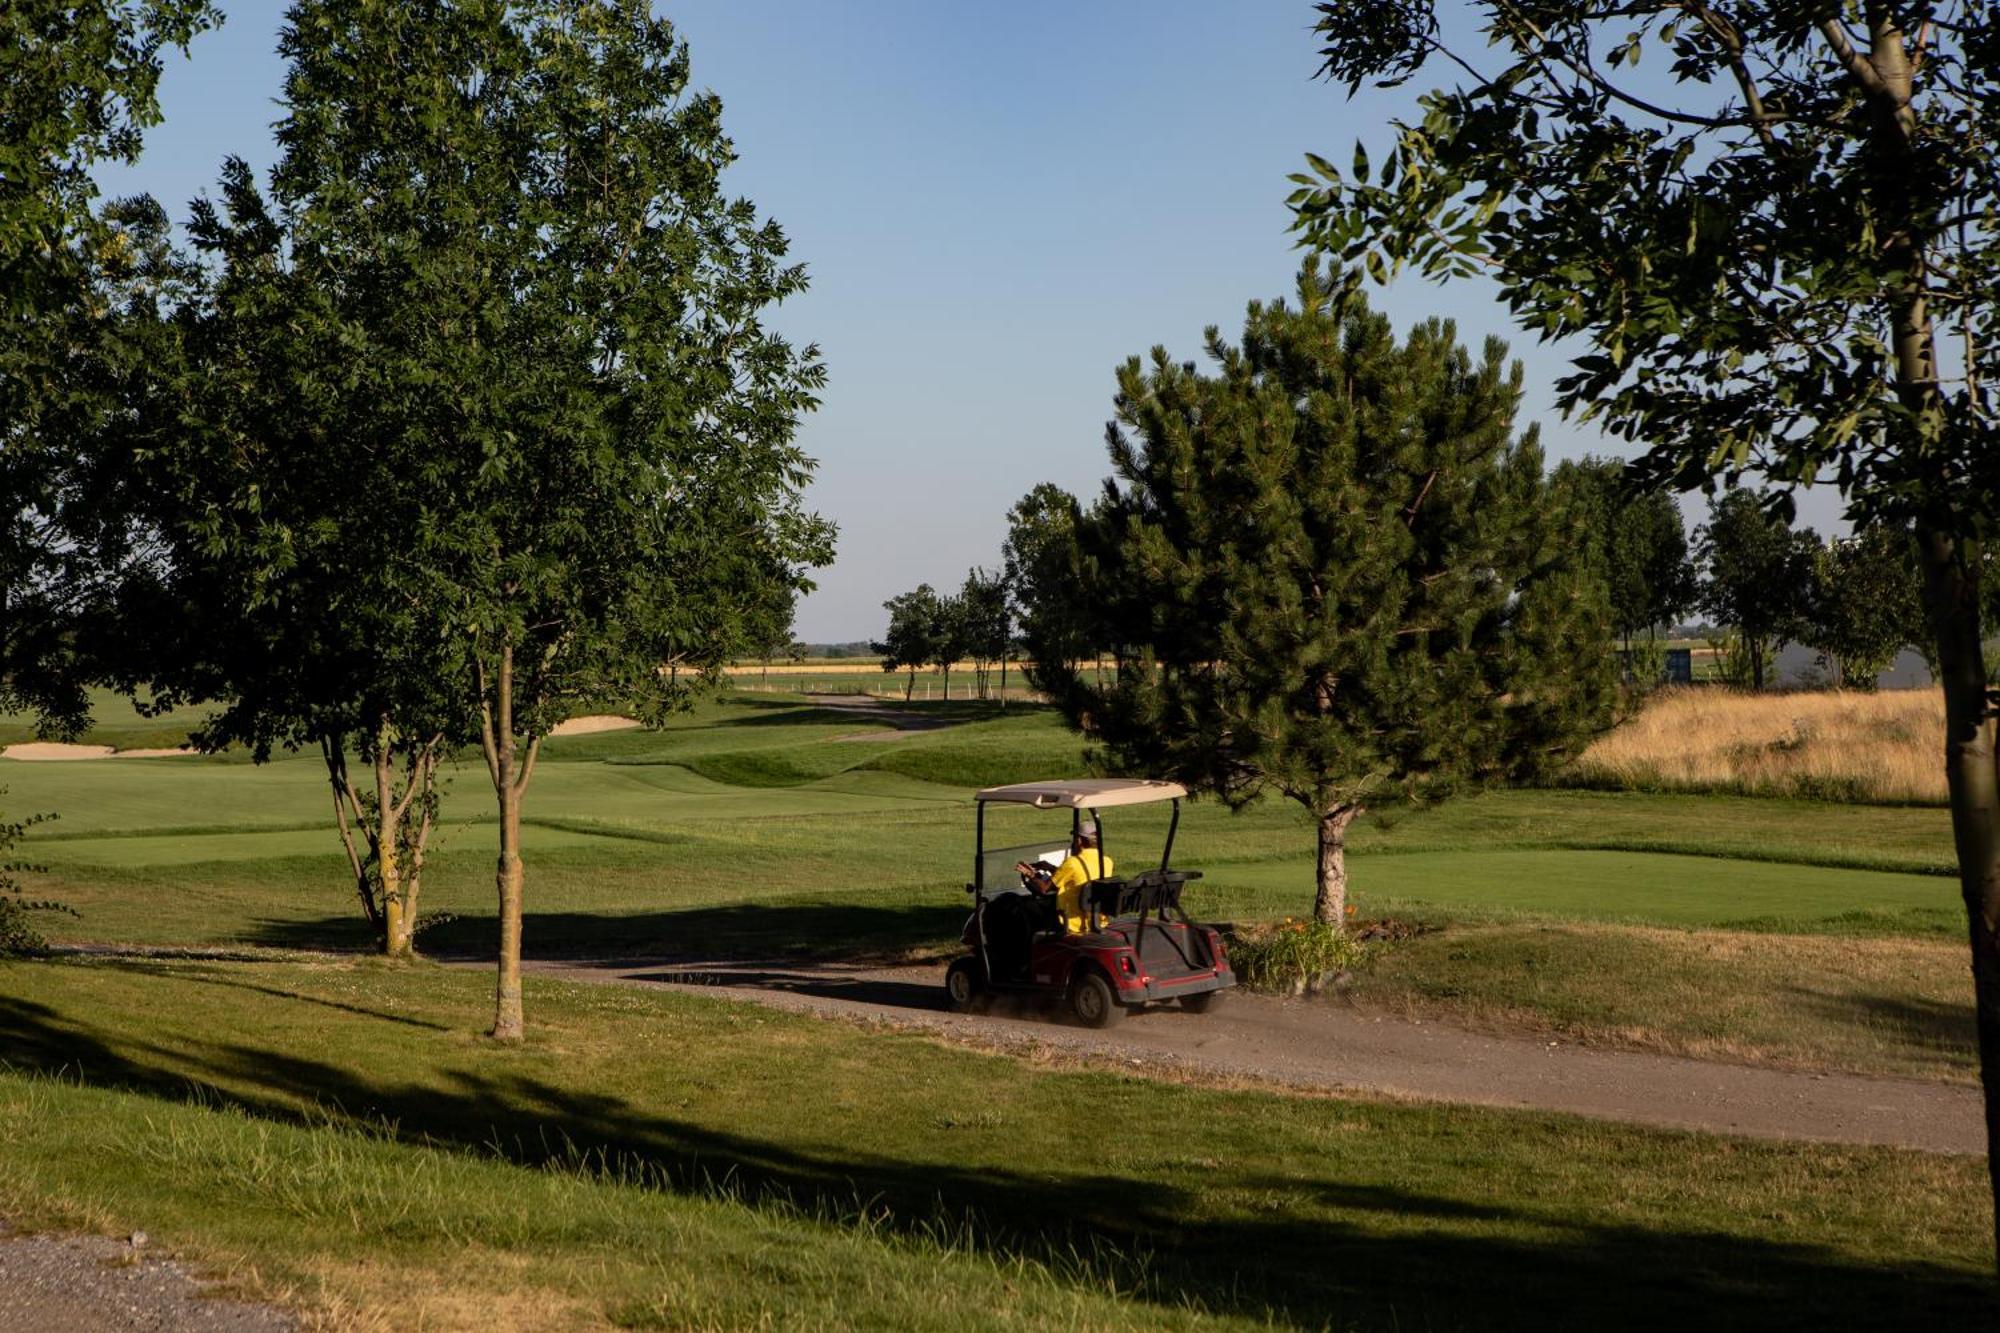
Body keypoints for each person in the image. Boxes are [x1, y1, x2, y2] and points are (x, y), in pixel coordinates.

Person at [1015, 820, 1114, 934]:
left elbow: (1044, 889)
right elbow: (1078, 876)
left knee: (1023, 907)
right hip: (1096, 919)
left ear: (1079, 840)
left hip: (1070, 919)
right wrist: (1051, 867)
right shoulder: (1107, 861)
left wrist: (1030, 874)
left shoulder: (1072, 862)